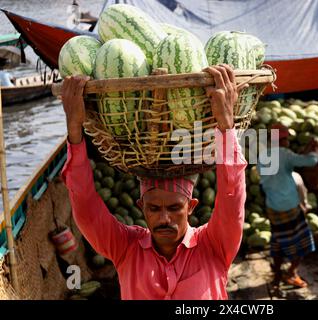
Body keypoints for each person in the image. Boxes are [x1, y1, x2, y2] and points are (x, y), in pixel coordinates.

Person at [60, 64, 247, 300]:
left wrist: (226, 126)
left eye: (174, 208)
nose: (164, 218)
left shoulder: (214, 245)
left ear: (191, 207)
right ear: (141, 207)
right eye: (154, 208)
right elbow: (87, 210)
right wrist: (75, 130)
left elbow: (232, 197)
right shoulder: (126, 248)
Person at [258, 123, 318, 290]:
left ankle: (277, 276)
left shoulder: (263, 156)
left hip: (272, 207)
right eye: (287, 139)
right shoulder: (284, 153)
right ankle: (291, 272)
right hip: (289, 207)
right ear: (282, 139)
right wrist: (315, 151)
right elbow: (310, 161)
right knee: (301, 243)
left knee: (278, 242)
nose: (289, 142)